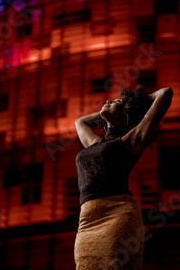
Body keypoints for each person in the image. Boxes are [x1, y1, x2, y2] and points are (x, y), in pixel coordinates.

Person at [74, 85, 173, 269]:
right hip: (87, 221)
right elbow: (80, 122)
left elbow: (165, 93)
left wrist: (136, 102)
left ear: (127, 113)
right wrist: (111, 110)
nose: (109, 101)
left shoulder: (131, 140)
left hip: (117, 215)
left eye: (116, 101)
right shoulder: (96, 143)